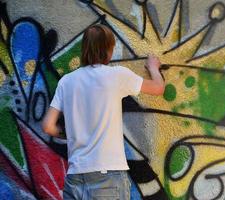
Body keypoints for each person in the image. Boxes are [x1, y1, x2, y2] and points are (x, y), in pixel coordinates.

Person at [42, 24, 165, 200]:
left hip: (75, 176)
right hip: (107, 175)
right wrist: (153, 67)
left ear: (84, 48)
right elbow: (158, 88)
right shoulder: (116, 75)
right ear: (108, 49)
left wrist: (67, 134)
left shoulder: (66, 82)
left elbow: (48, 126)